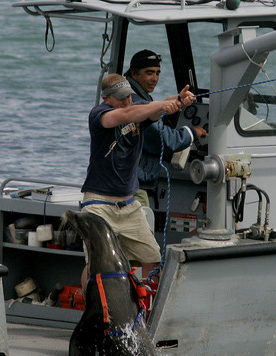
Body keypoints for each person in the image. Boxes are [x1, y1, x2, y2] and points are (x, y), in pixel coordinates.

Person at [80, 73, 195, 286]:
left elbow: (148, 111)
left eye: (129, 96)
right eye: (121, 97)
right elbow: (128, 114)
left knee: (152, 257)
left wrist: (177, 101)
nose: (127, 101)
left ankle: (147, 308)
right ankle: (91, 307)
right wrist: (161, 105)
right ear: (107, 98)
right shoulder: (99, 115)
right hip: (98, 205)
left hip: (129, 205)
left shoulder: (138, 108)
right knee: (96, 263)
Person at [124, 49, 208, 208]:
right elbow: (164, 139)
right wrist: (192, 133)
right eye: (149, 73)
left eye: (157, 73)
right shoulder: (136, 102)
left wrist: (174, 101)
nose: (154, 78)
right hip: (134, 188)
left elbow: (150, 117)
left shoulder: (130, 96)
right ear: (134, 74)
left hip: (127, 183)